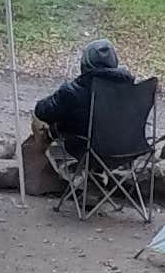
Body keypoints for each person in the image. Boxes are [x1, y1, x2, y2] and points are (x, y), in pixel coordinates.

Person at [22, 39, 131, 197]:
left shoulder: (74, 91)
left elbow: (42, 111)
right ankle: (96, 177)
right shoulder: (132, 90)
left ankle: (70, 177)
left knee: (45, 124)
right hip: (126, 152)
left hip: (84, 150)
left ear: (85, 63)